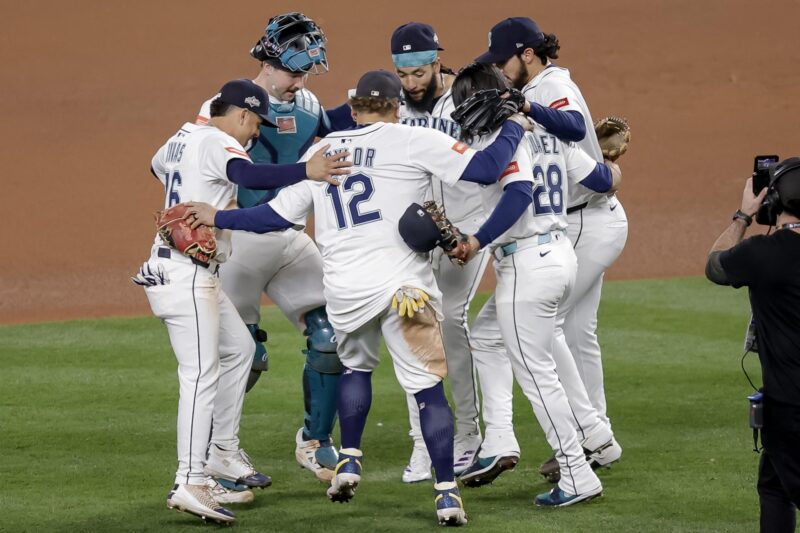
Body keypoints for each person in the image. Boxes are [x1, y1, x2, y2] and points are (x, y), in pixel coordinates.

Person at [183, 69, 532, 526]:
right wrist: (514, 126)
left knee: (354, 368)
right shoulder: (413, 138)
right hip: (404, 288)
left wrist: (218, 217)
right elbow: (486, 170)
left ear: (351, 110)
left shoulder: (322, 152)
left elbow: (271, 216)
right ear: (395, 107)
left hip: (346, 289)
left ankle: (349, 459)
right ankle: (447, 493)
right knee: (427, 390)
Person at [133, 79, 350, 524]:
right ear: (241, 115)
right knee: (198, 376)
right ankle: (189, 479)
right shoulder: (216, 141)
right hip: (186, 276)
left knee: (240, 350)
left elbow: (157, 168)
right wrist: (305, 170)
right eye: (255, 126)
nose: (255, 135)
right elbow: (248, 176)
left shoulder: (181, 137)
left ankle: (224, 453)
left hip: (188, 270)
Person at [447, 63, 621, 506]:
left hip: (526, 264)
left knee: (537, 376)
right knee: (520, 345)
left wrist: (476, 240)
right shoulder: (546, 131)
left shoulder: (500, 139)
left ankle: (578, 474)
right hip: (561, 255)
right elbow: (601, 180)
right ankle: (591, 433)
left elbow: (519, 193)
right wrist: (615, 165)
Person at [196, 12, 354, 483]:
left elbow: (331, 123)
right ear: (268, 61)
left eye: (306, 72)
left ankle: (316, 441)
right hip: (237, 242)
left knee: (331, 337)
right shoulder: (224, 104)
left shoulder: (306, 102)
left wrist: (385, 100)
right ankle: (213, 454)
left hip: (287, 239)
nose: (300, 81)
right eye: (294, 70)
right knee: (243, 356)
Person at [390, 21, 489, 482]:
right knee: (412, 322)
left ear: (436, 62)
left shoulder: (466, 97)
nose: (410, 83)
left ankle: (468, 433)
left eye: (417, 72)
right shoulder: (395, 104)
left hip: (467, 229)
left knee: (449, 322)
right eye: (402, 74)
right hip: (416, 231)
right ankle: (423, 444)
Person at [705, 158, 800, 533]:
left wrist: (744, 216)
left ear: (773, 202)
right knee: (774, 485)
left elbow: (715, 266)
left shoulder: (763, 254)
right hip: (787, 408)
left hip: (792, 407)